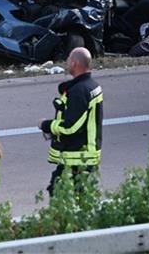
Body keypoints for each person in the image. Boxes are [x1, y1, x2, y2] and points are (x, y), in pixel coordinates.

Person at [38, 47, 103, 195]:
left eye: (68, 59)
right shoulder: (92, 86)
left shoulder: (79, 91)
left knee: (60, 193)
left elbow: (71, 126)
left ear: (74, 63)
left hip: (77, 158)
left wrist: (45, 125)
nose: (66, 62)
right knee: (80, 197)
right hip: (85, 155)